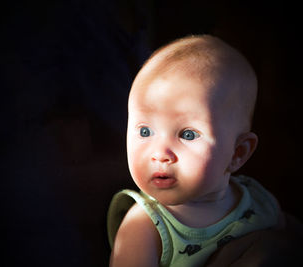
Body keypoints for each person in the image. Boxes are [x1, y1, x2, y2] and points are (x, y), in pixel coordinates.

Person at [107, 34, 286, 267]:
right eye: (144, 131)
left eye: (187, 134)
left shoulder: (260, 202)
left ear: (237, 153)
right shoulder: (143, 227)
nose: (160, 154)